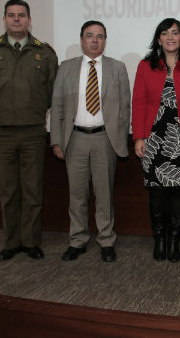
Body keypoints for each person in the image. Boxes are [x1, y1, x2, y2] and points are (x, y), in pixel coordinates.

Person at [0, 0, 58, 261]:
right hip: (1, 133)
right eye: (12, 15)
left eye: (21, 15)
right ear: (4, 20)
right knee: (8, 191)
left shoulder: (45, 53)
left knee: (32, 190)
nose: (17, 19)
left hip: (33, 132)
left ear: (29, 20)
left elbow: (52, 91)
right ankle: (11, 242)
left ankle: (30, 242)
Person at [50, 20, 130, 262]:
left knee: (104, 195)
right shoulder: (66, 68)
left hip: (105, 139)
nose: (95, 40)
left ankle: (106, 240)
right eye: (90, 35)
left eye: (100, 36)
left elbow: (125, 107)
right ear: (81, 39)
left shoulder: (117, 68)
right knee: (77, 195)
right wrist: (57, 140)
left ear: (105, 40)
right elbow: (57, 105)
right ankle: (77, 240)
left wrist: (119, 139)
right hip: (74, 139)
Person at [131, 18, 180, 263]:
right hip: (153, 137)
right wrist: (138, 137)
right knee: (157, 191)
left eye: (174, 32)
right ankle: (159, 239)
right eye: (165, 33)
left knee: (178, 191)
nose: (170, 37)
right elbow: (139, 103)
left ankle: (174, 240)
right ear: (159, 39)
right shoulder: (145, 66)